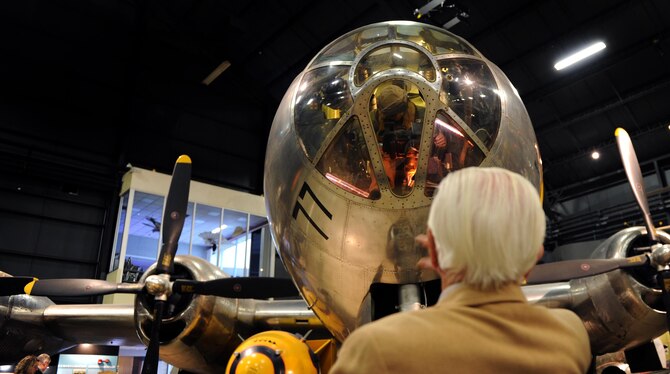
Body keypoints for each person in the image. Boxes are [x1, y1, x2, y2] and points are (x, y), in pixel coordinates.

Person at [330, 167, 592, 373]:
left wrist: (450, 258)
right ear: (536, 253)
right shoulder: (569, 335)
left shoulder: (376, 348)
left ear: (431, 247)